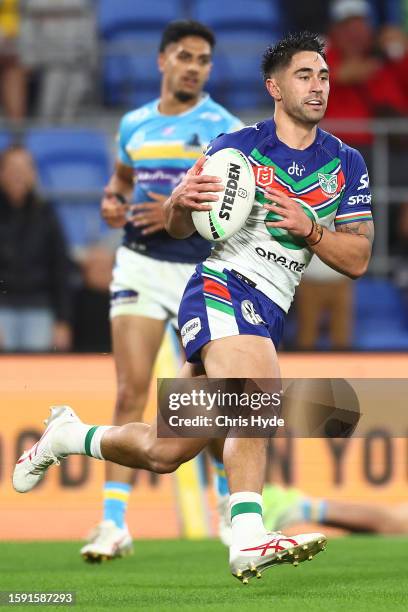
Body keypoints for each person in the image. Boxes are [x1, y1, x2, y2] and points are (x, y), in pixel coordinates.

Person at [13, 32, 374, 583]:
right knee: (259, 394)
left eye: (324, 76)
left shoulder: (347, 164)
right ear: (274, 87)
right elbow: (186, 226)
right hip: (221, 285)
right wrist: (179, 204)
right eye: (305, 75)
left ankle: (68, 435)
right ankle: (248, 536)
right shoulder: (234, 149)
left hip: (270, 307)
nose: (318, 86)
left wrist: (312, 230)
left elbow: (360, 256)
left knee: (164, 449)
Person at [81, 20, 243, 560]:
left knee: (209, 401)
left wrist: (176, 210)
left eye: (203, 59)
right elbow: (123, 182)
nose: (194, 67)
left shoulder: (226, 129)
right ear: (162, 61)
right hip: (140, 266)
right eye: (185, 56)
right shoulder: (134, 125)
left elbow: (236, 214)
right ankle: (113, 523)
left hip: (199, 273)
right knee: (130, 390)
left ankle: (225, 502)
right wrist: (112, 199)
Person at [0, 145, 72, 351]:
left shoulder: (46, 214)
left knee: (35, 379)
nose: (18, 175)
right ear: (1, 173)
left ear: (33, 174)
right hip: (2, 307)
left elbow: (60, 269)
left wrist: (63, 321)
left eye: (24, 168)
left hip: (39, 308)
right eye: (12, 168)